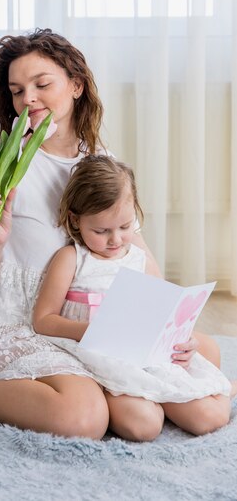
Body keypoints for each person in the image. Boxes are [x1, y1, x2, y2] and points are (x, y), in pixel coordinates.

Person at [0, 28, 222, 440]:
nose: (27, 98)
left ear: (76, 86)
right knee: (82, 419)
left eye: (41, 84)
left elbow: (137, 252)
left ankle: (108, 386)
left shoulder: (101, 162)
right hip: (21, 323)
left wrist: (165, 324)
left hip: (89, 319)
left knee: (206, 350)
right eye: (16, 90)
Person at [33, 154, 236, 440]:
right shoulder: (72, 259)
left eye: (125, 227)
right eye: (102, 231)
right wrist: (90, 331)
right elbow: (43, 320)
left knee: (211, 418)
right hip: (104, 361)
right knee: (143, 426)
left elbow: (167, 311)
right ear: (75, 220)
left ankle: (210, 389)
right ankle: (157, 398)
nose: (115, 240)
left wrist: (182, 337)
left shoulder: (139, 259)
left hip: (147, 354)